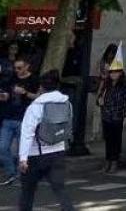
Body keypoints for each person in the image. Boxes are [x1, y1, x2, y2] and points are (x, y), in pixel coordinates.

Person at [18, 70, 75, 211]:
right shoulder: (67, 103)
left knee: (28, 191)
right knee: (60, 189)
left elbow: (27, 133)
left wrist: (23, 158)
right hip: (58, 151)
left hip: (36, 154)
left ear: (41, 87)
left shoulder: (36, 106)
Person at [2, 58, 38, 186]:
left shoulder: (34, 79)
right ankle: (12, 173)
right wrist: (4, 96)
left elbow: (38, 97)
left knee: (21, 150)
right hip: (8, 117)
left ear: (27, 66)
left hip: (24, 118)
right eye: (15, 68)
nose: (17, 71)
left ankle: (20, 176)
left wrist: (25, 92)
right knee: (2, 148)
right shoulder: (12, 78)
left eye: (20, 68)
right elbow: (6, 93)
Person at [98, 64, 126, 173]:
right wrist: (99, 101)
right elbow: (100, 98)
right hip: (107, 115)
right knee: (108, 139)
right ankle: (108, 160)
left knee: (116, 139)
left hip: (118, 116)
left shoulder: (125, 85)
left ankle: (114, 161)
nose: (113, 74)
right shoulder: (106, 85)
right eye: (112, 72)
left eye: (116, 72)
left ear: (121, 73)